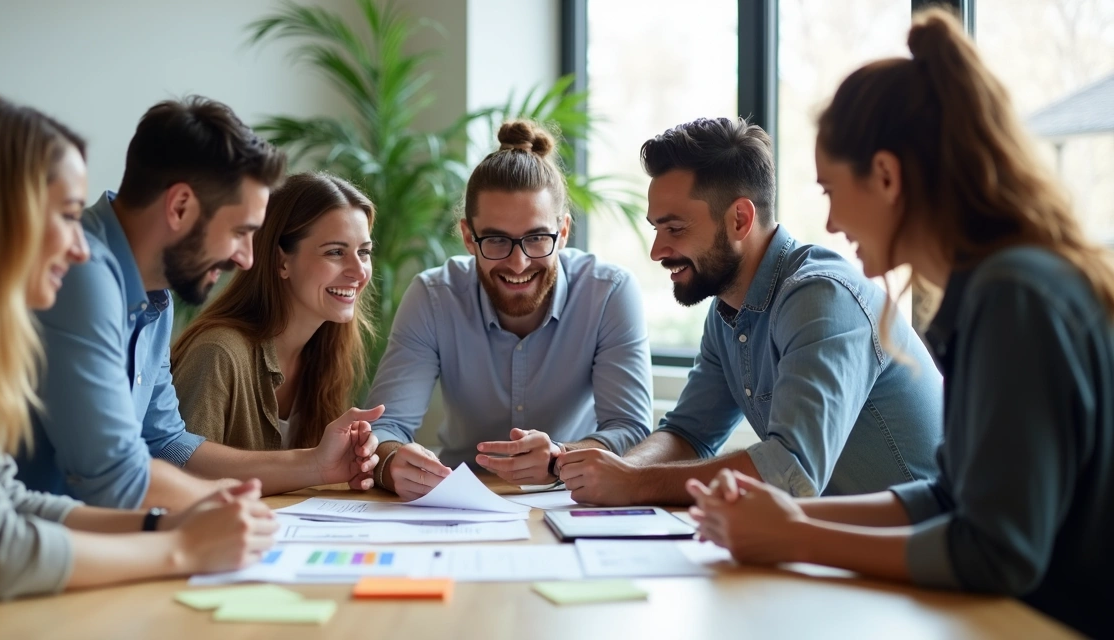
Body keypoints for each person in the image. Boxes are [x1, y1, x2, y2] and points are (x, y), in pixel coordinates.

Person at [688, 9, 1114, 637]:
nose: (830, 223)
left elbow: (995, 551)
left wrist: (798, 537)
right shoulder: (991, 288)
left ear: (886, 176)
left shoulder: (1013, 295)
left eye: (831, 190)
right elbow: (948, 498)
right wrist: (788, 518)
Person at [0, 96, 277, 624]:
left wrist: (165, 528)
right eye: (69, 216)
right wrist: (181, 549)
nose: (80, 247)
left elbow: (8, 499)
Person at [558, 116, 943, 506]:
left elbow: (790, 469)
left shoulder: (821, 297)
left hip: (921, 552)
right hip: (839, 548)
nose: (657, 251)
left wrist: (635, 483)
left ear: (740, 219)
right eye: (656, 229)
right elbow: (689, 434)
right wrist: (617, 472)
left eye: (674, 229)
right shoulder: (728, 311)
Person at [16, 97, 379, 510]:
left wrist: (314, 466)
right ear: (180, 206)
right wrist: (235, 507)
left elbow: (168, 443)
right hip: (41, 549)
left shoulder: (156, 296)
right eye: (241, 232)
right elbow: (112, 472)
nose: (246, 258)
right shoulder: (81, 272)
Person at [367, 120, 653, 500]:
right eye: (497, 240)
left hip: (566, 499)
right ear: (469, 237)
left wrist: (559, 458)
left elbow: (632, 429)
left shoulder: (609, 294)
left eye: (537, 238)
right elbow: (387, 425)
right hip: (456, 503)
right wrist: (390, 462)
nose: (518, 263)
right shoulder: (433, 297)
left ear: (562, 232)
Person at [172, 172, 379, 454]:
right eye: (335, 252)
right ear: (282, 261)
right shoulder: (217, 354)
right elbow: (180, 474)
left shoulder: (327, 351)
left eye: (364, 252)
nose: (358, 271)